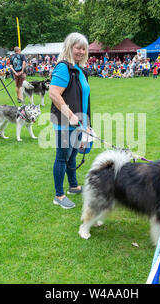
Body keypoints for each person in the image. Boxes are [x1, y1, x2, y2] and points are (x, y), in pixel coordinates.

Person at [49, 32, 91, 209]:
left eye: (83, 48)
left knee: (73, 154)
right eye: (77, 48)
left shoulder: (79, 69)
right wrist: (71, 115)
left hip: (79, 122)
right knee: (62, 157)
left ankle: (73, 186)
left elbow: (84, 99)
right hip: (64, 123)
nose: (81, 51)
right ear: (69, 48)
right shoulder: (63, 67)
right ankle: (59, 195)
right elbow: (53, 93)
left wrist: (86, 125)